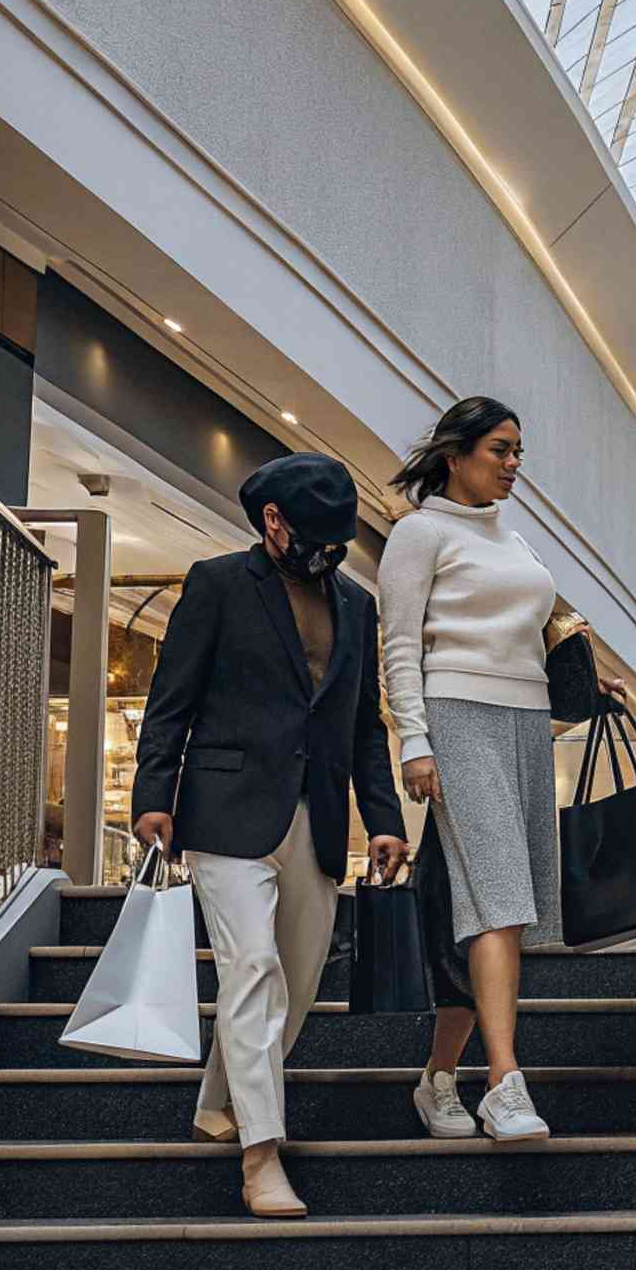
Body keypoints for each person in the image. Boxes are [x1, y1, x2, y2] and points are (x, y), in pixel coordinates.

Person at [131, 452, 408, 1218]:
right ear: (273, 521)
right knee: (252, 969)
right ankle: (262, 1156)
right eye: (314, 535)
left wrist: (382, 819)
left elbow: (361, 726)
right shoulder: (218, 583)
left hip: (317, 816)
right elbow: (169, 699)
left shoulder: (355, 604)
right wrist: (153, 792)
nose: (327, 553)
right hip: (225, 811)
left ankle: (221, 1101)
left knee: (298, 980)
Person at [380, 396, 622, 1144]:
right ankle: (504, 1083)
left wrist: (584, 680)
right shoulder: (419, 534)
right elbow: (399, 646)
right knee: (501, 902)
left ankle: (438, 1077)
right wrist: (414, 742)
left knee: (491, 903)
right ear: (454, 455)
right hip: (456, 717)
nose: (514, 463)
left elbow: (536, 632)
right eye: (499, 449)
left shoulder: (517, 543)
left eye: (519, 451)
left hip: (524, 723)